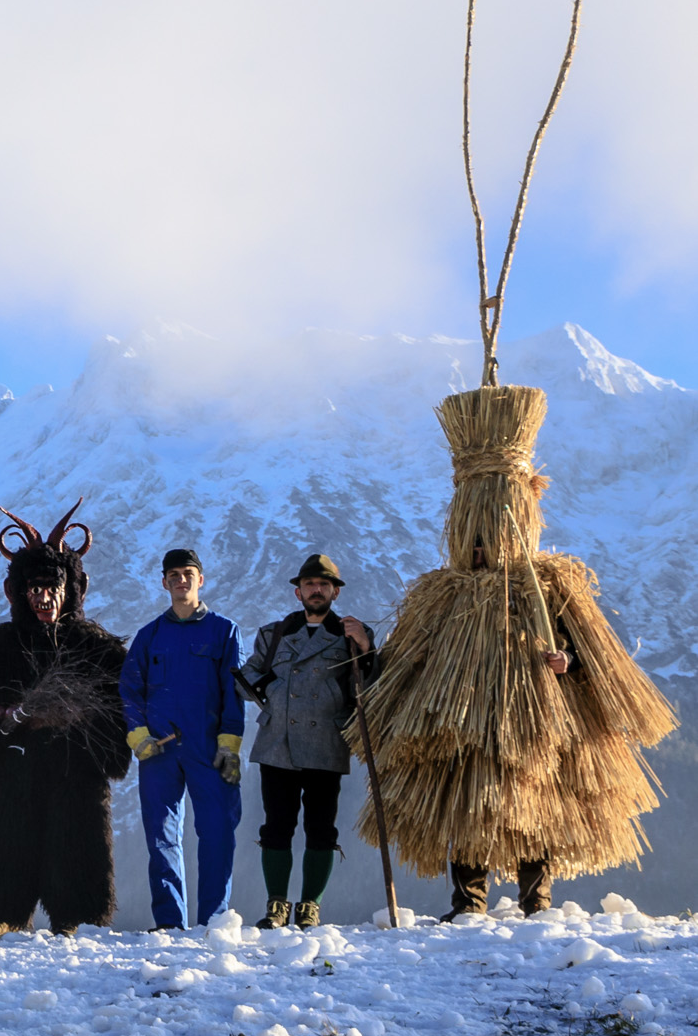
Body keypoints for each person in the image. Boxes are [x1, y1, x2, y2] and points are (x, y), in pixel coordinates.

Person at [358, 384, 675, 918]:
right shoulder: (441, 592)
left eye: (488, 537)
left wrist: (567, 662)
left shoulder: (547, 585)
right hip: (458, 718)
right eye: (474, 538)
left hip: (534, 717)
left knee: (536, 803)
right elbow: (404, 659)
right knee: (466, 802)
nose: (480, 549)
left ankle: (537, 901)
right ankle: (469, 902)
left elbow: (593, 656)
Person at [0, 508, 129, 936]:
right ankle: (4, 913)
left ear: (71, 590)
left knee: (77, 832)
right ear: (17, 592)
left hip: (75, 769)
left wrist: (78, 720)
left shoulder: (98, 650)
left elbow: (120, 714)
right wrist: (2, 724)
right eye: (34, 588)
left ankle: (76, 917)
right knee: (7, 832)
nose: (44, 597)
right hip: (12, 771)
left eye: (53, 588)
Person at [235, 554, 375, 928]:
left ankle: (310, 905)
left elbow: (370, 687)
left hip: (326, 741)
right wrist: (273, 689)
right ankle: (276, 906)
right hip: (277, 742)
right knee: (276, 827)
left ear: (335, 592)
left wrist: (366, 648)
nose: (316, 590)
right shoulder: (273, 633)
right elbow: (246, 678)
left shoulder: (352, 634)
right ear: (298, 592)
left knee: (321, 828)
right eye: (310, 584)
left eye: (324, 584)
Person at [122, 547, 246, 929]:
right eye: (173, 575)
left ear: (200, 579)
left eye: (187, 573)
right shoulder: (149, 636)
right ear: (164, 582)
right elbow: (129, 689)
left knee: (217, 831)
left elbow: (234, 692)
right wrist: (138, 734)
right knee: (160, 837)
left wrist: (230, 745)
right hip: (159, 751)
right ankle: (169, 923)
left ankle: (214, 921)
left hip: (209, 749)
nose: (181, 580)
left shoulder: (224, 631)